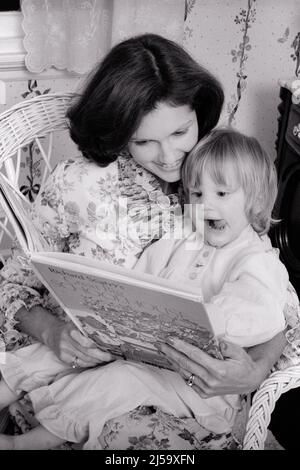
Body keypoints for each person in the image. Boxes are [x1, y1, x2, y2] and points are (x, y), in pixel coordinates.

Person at [0, 33, 298, 450]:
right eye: (144, 141)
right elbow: (12, 283)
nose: (170, 156)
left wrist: (256, 367)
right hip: (77, 355)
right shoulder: (77, 185)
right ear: (121, 132)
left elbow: (276, 304)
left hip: (173, 380)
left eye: (181, 131)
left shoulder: (213, 174)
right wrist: (53, 332)